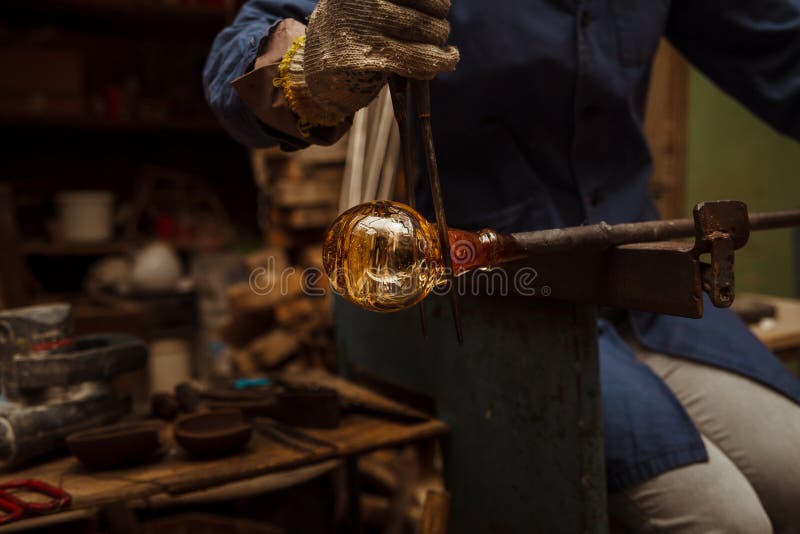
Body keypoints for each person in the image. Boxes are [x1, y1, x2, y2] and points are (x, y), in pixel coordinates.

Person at [204, 1, 800, 531]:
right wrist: (308, 72)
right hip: (493, 297)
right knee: (723, 519)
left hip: (647, 293)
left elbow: (779, 45)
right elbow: (236, 56)